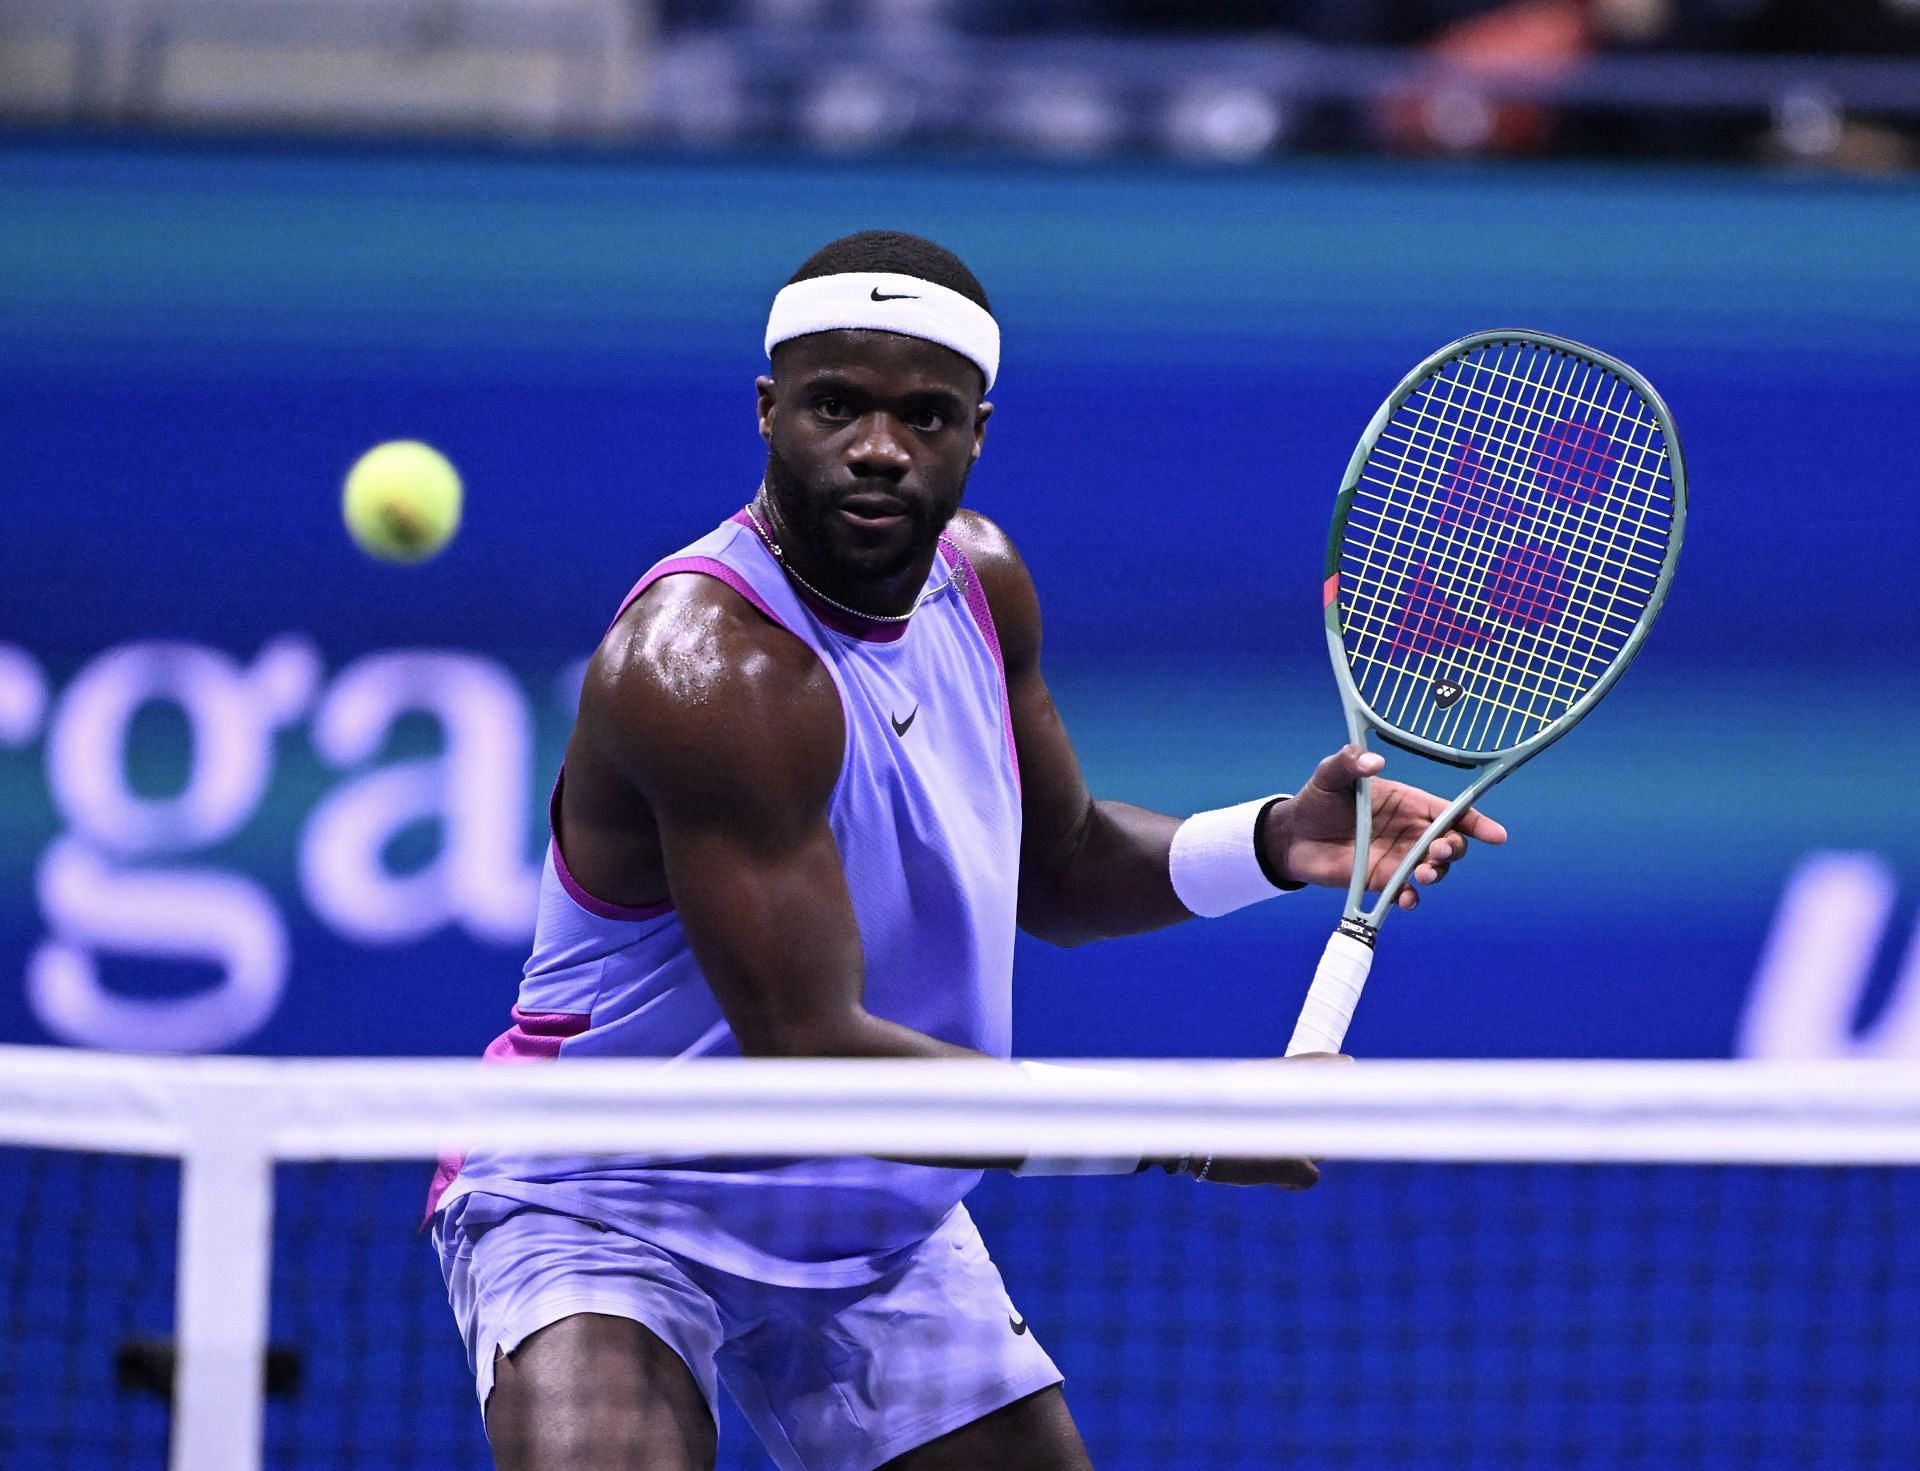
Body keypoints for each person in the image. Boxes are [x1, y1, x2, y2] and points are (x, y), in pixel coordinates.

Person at [427, 229, 1506, 1471]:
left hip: (870, 1222)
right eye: (838, 404)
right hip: (612, 1197)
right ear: (770, 411)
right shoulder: (704, 669)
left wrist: (1270, 842)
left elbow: (1061, 867)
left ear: (977, 431)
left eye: (924, 415)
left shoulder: (981, 583)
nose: (880, 446)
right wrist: (1200, 1121)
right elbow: (814, 1053)